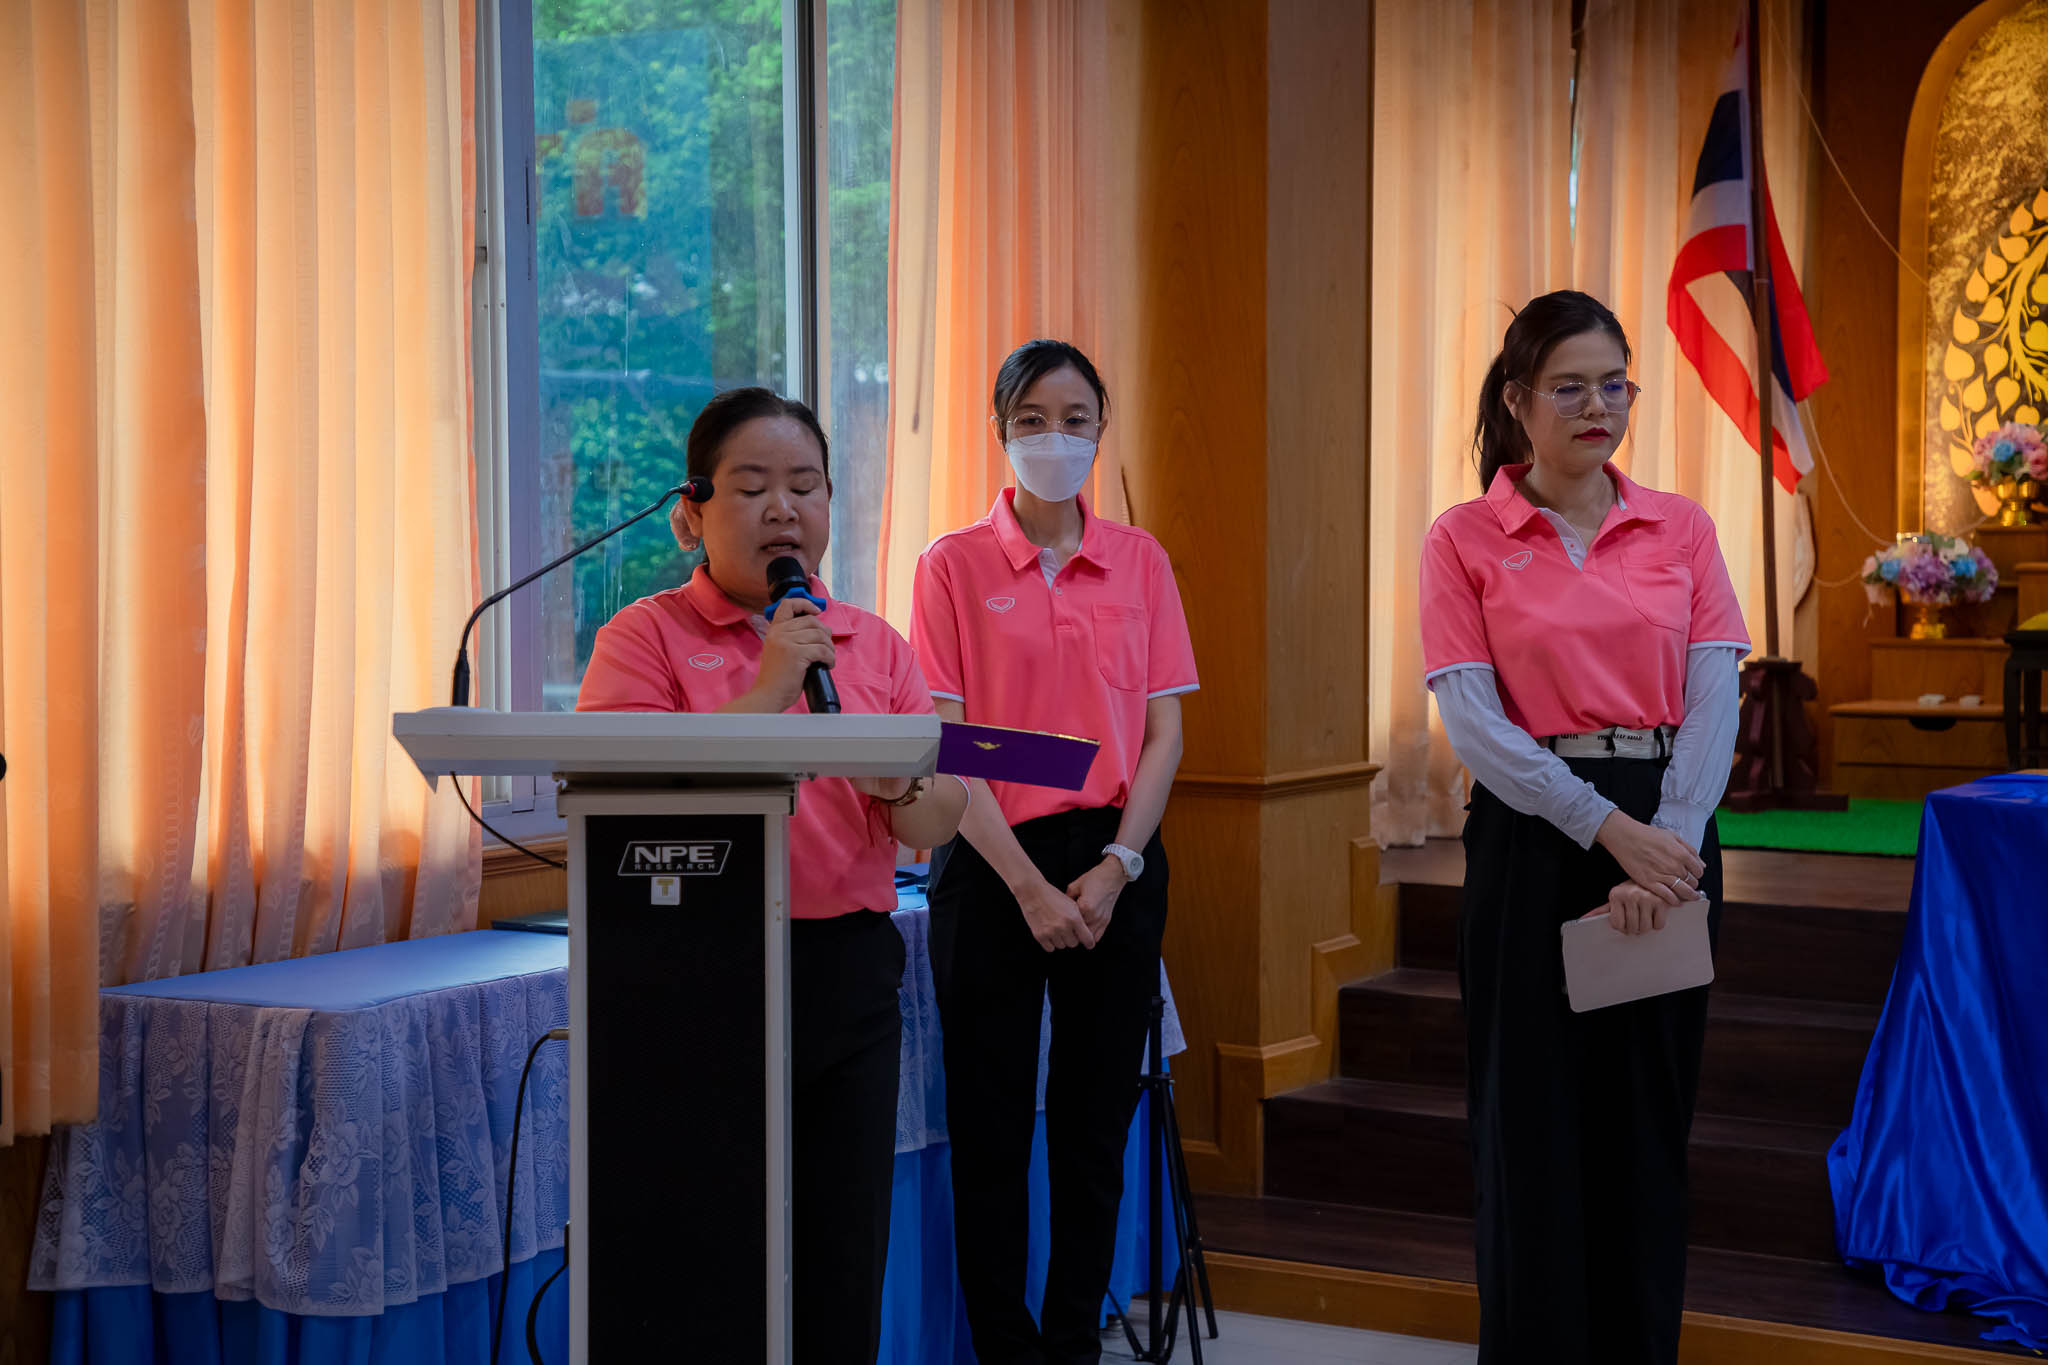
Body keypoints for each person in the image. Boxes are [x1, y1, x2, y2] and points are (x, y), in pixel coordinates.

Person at [576, 386, 966, 1365]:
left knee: (843, 1244)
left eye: (806, 486)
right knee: (709, 1247)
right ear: (690, 513)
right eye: (751, 488)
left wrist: (896, 780)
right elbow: (625, 795)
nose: (784, 509)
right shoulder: (642, 637)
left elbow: (932, 820)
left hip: (848, 971)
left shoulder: (871, 643)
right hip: (697, 973)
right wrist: (768, 689)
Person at [1418, 291, 1747, 1364]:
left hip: (1668, 843)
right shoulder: (1464, 538)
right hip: (1533, 842)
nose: (1597, 405)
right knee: (1530, 1135)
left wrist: (1670, 842)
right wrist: (1609, 829)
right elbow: (1473, 721)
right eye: (1569, 387)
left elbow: (1713, 695)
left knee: (1643, 1130)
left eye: (1614, 384)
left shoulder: (1681, 527)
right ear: (1517, 400)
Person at [910, 339, 1198, 1365]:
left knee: (1092, 1127)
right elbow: (950, 741)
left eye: (1074, 419)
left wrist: (1118, 866)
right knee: (990, 1126)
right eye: (1031, 418)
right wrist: (1028, 887)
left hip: (1116, 859)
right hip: (991, 859)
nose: (1054, 437)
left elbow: (1162, 734)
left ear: (1099, 431)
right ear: (999, 430)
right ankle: (1004, 1347)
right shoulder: (951, 564)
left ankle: (1074, 1341)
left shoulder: (1140, 561)